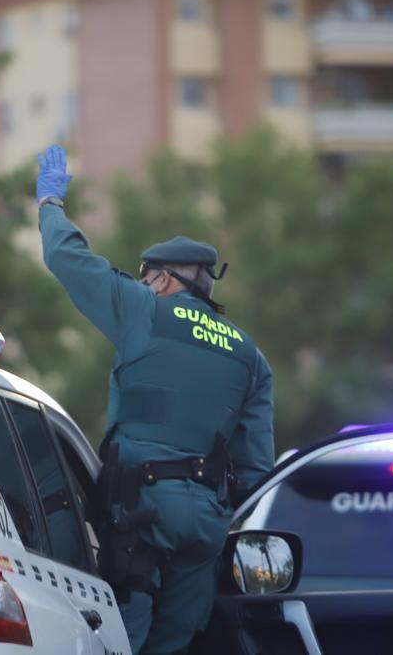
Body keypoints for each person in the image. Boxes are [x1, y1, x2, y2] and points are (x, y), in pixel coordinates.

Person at [35, 144, 274, 654]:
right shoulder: (249, 354)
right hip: (206, 527)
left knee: (126, 633)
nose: (142, 284)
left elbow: (68, 258)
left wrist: (50, 206)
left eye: (146, 277)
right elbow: (257, 468)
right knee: (178, 642)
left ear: (163, 278)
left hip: (143, 511)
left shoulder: (145, 311)